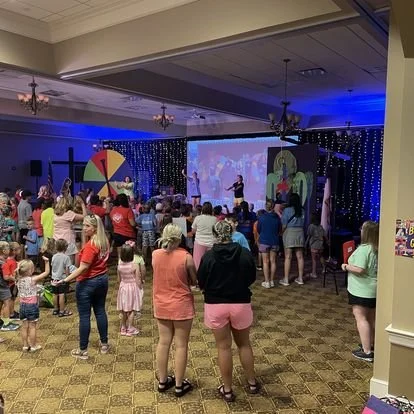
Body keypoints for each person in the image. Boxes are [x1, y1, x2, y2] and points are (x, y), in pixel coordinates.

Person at [197, 221, 260, 402]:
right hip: (240, 303)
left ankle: (227, 389)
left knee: (223, 347)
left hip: (215, 305)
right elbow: (251, 277)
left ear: (214, 234)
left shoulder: (208, 257)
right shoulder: (244, 253)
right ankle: (252, 382)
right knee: (244, 344)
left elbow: (201, 282)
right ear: (231, 232)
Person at [54, 215, 110, 360]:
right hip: (102, 279)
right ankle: (104, 344)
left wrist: (65, 280)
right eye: (83, 225)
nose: (83, 228)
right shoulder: (104, 242)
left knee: (85, 316)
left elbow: (83, 268)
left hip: (88, 283)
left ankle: (83, 350)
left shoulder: (91, 246)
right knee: (100, 311)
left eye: (87, 226)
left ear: (95, 228)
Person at [152, 224, 197, 398]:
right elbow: (194, 280)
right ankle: (179, 385)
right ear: (179, 238)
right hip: (181, 304)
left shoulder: (155, 255)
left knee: (163, 342)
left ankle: (163, 381)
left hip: (161, 303)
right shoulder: (186, 257)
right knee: (181, 345)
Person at [341, 221, 379, 362]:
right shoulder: (376, 248)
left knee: (361, 318)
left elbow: (360, 269)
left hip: (362, 290)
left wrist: (345, 266)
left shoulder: (364, 249)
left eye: (362, 228)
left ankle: (367, 351)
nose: (360, 230)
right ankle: (371, 344)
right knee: (370, 318)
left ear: (366, 232)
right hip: (373, 289)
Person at [16, 256, 50, 351]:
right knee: (32, 327)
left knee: (24, 326)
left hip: (22, 306)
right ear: (30, 270)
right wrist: (47, 262)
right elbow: (46, 273)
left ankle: (25, 345)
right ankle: (33, 345)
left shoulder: (18, 280)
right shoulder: (32, 279)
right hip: (32, 306)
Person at [117, 243, 144, 336]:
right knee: (132, 309)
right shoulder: (135, 265)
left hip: (123, 287)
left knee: (124, 309)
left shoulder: (119, 265)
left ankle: (123, 327)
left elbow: (119, 279)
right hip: (132, 288)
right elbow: (138, 279)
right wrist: (140, 287)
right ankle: (130, 328)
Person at [280, 193, 305, 286]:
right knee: (300, 256)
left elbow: (284, 224)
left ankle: (286, 279)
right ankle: (301, 278)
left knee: (288, 257)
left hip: (290, 233)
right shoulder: (302, 210)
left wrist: (281, 233)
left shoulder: (287, 210)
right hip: (300, 233)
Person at [53, 196, 86, 264]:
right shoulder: (68, 214)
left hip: (56, 240)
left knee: (59, 262)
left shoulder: (55, 214)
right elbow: (85, 216)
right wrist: (82, 204)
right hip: (67, 241)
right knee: (68, 263)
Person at [258, 200, 281, 288]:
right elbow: (279, 230)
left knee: (265, 262)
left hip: (264, 241)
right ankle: (271, 281)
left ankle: (267, 282)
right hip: (275, 241)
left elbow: (259, 229)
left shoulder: (262, 217)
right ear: (274, 206)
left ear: (265, 206)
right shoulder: (277, 218)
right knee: (273, 261)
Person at [51, 239, 73, 317]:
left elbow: (53, 266)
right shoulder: (66, 257)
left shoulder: (54, 256)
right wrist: (68, 278)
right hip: (62, 279)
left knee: (54, 294)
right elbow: (67, 269)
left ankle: (55, 309)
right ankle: (62, 311)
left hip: (54, 278)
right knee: (61, 295)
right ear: (66, 247)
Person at [191, 202, 217, 269]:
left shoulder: (198, 218)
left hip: (199, 243)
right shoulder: (215, 219)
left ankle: (198, 278)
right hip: (212, 243)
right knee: (211, 263)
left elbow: (193, 231)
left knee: (198, 263)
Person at [110, 193, 136, 258]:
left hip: (117, 233)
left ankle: (120, 265)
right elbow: (132, 224)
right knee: (129, 253)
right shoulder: (128, 210)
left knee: (119, 253)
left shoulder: (113, 210)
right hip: (128, 234)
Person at [3, 242, 21, 320]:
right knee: (12, 299)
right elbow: (12, 275)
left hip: (9, 284)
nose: (20, 250)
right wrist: (16, 279)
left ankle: (12, 311)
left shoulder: (8, 260)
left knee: (11, 299)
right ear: (14, 251)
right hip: (12, 284)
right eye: (19, 249)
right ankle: (12, 314)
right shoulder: (12, 262)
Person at [306, 213, 326, 279]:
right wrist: (327, 241)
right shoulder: (320, 226)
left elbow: (309, 236)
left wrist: (305, 244)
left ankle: (314, 273)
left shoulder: (311, 226)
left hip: (314, 245)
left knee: (314, 259)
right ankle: (324, 268)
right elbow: (324, 235)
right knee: (321, 256)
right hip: (320, 245)